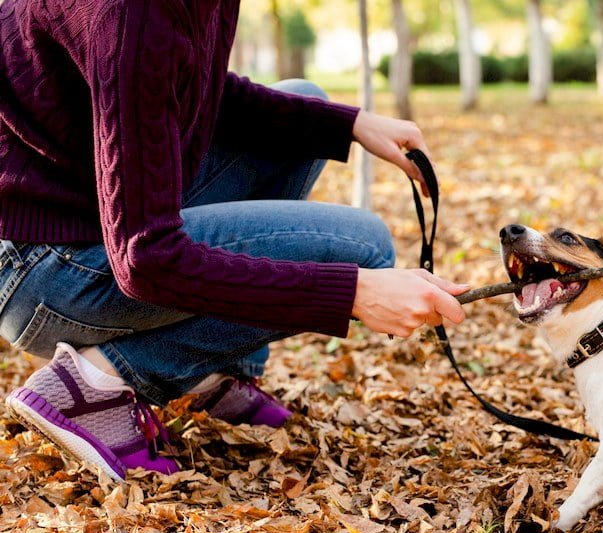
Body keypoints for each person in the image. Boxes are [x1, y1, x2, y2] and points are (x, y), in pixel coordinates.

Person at [0, 0, 468, 481]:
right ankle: (94, 384)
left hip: (87, 216)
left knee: (305, 107)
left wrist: (349, 124)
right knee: (363, 248)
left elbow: (183, 80)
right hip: (46, 270)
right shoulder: (131, 14)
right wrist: (354, 291)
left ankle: (215, 374)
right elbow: (147, 259)